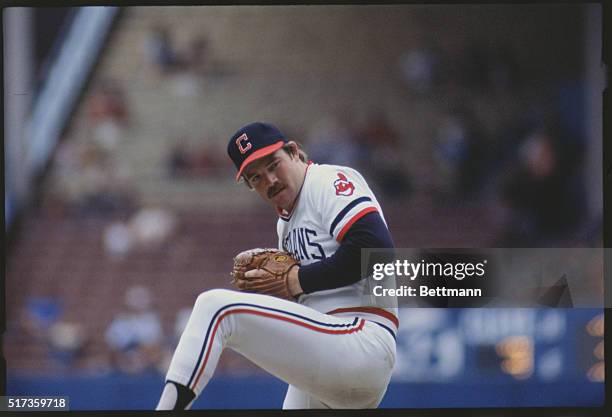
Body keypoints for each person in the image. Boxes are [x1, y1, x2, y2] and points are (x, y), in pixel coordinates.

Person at [156, 122, 398, 410]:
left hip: (362, 340)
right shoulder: (285, 226)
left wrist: (296, 280)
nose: (269, 180)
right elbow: (306, 297)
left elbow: (376, 250)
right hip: (332, 360)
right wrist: (280, 291)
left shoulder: (326, 180)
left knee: (216, 309)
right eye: (255, 177)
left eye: (274, 165)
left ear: (294, 152)